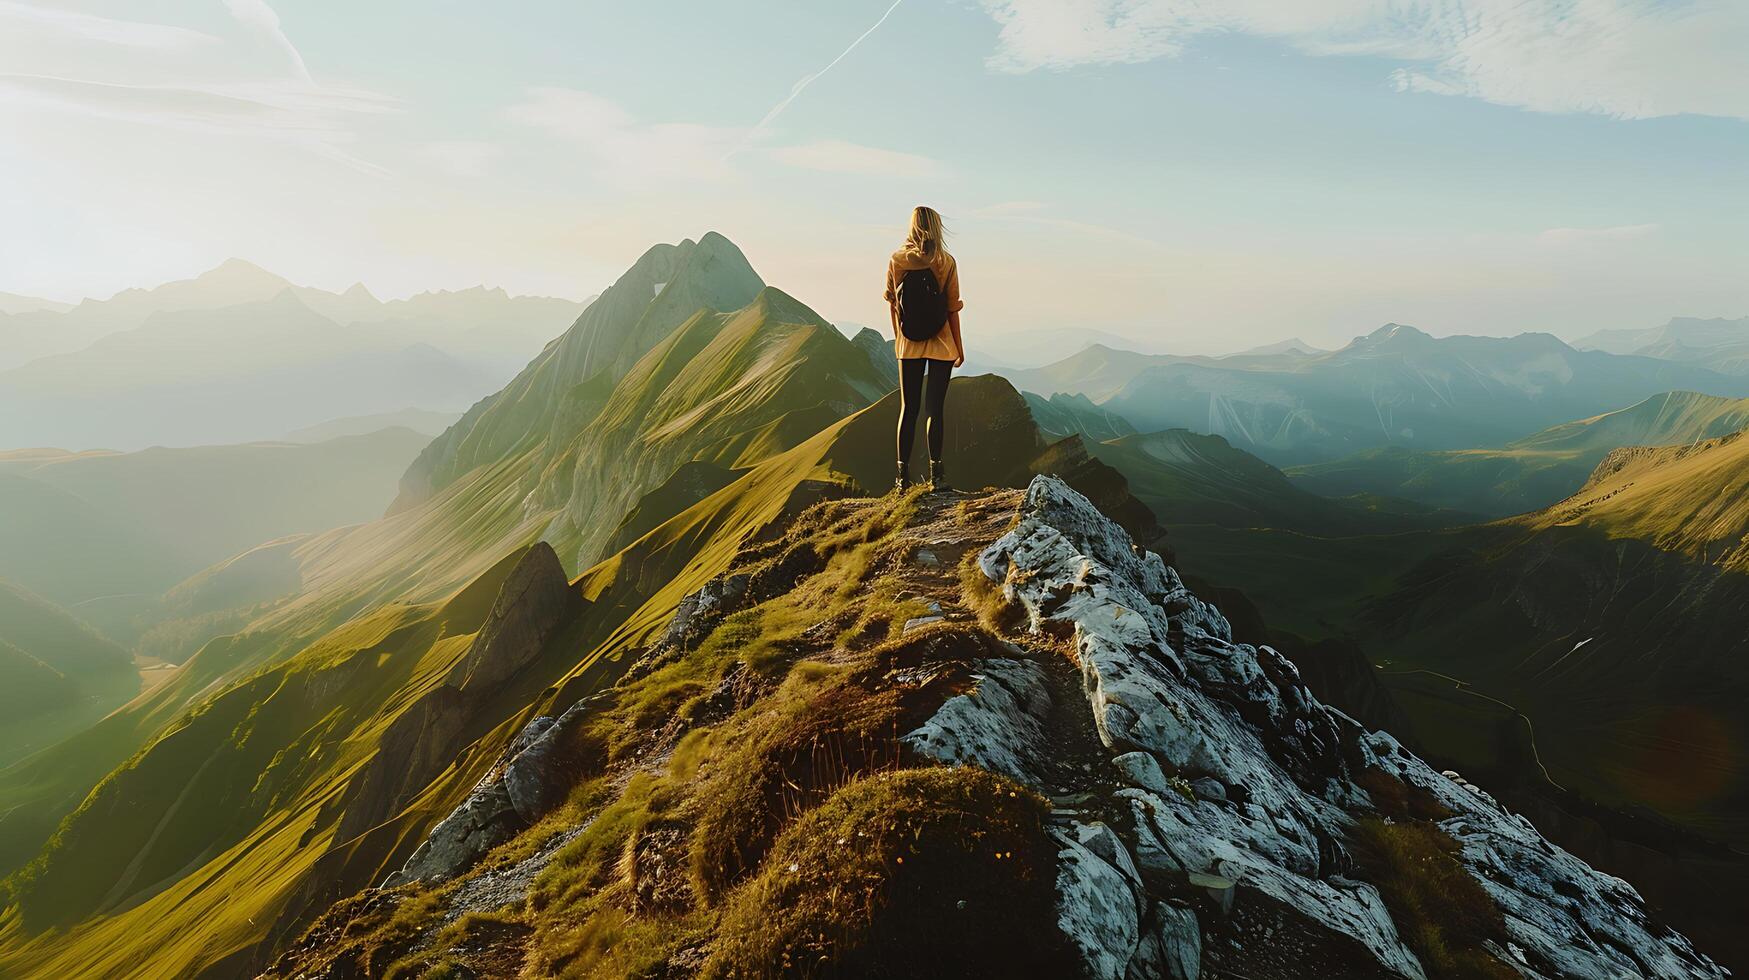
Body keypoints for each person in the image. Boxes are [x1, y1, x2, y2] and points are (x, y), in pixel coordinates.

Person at [884, 205, 964, 491]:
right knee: (935, 410)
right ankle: (936, 478)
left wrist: (899, 339)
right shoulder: (946, 262)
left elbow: (893, 303)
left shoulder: (897, 260)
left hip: (908, 345)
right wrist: (959, 347)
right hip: (942, 344)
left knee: (909, 409)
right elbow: (953, 308)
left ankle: (901, 479)